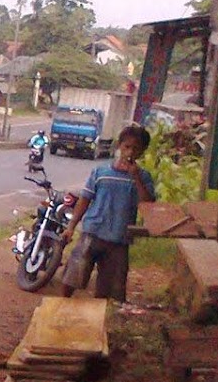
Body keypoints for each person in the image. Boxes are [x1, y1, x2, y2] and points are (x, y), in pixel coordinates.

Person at [58, 123, 156, 304]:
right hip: (92, 233)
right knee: (73, 277)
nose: (130, 152)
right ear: (119, 146)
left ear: (142, 152)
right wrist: (71, 227)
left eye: (136, 149)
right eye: (127, 147)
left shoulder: (144, 177)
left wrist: (136, 178)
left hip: (119, 239)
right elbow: (85, 200)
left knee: (110, 291)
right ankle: (60, 308)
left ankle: (100, 322)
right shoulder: (101, 172)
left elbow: (148, 204)